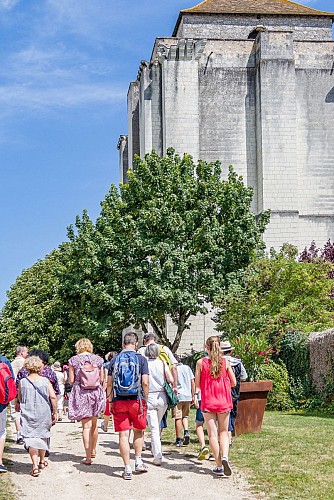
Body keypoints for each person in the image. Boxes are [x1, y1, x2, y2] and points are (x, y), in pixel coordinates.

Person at [107, 332, 149, 480]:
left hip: (119, 400)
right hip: (137, 400)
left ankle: (127, 468)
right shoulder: (141, 359)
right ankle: (138, 461)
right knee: (138, 431)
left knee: (123, 435)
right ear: (136, 343)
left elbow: (109, 383)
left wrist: (110, 401)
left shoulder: (115, 360)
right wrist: (146, 399)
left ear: (123, 344)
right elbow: (145, 382)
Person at [194, 336, 236, 477]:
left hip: (208, 401)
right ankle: (225, 456)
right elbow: (234, 382)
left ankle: (219, 465)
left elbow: (198, 384)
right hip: (224, 400)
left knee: (212, 433)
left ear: (206, 347)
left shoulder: (201, 363)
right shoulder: (225, 362)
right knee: (223, 432)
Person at [18, 356, 57, 477]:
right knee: (43, 435)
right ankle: (41, 461)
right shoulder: (45, 381)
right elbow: (53, 397)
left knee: (31, 437)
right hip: (43, 412)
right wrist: (55, 411)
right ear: (39, 366)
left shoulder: (22, 382)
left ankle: (34, 466)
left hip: (28, 412)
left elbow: (20, 398)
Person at [68, 338, 105, 465]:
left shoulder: (73, 360)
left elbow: (71, 380)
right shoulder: (98, 360)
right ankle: (93, 450)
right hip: (95, 393)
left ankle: (88, 456)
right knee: (94, 424)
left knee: (86, 426)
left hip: (81, 393)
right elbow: (101, 379)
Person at [138, 333, 178, 433]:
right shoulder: (164, 349)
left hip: (146, 389)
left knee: (142, 416)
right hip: (162, 390)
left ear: (144, 341)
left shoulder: (141, 350)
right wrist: (174, 386)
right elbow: (174, 367)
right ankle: (157, 439)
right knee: (160, 418)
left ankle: (142, 441)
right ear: (155, 339)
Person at [145, 343, 173, 465]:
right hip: (162, 397)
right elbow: (171, 379)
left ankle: (157, 454)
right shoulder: (162, 363)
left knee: (154, 427)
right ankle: (155, 449)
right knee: (156, 425)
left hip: (149, 395)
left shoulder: (145, 364)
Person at [221, 340, 248, 447]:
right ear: (230, 351)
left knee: (222, 416)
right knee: (232, 414)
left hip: (221, 393)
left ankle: (226, 436)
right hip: (234, 392)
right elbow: (244, 377)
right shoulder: (238, 363)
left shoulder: (218, 363)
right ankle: (229, 436)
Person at [172, 359, 195, 447]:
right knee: (185, 416)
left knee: (178, 417)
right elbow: (192, 382)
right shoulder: (187, 368)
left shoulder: (173, 369)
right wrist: (193, 395)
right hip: (187, 395)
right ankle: (186, 431)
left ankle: (178, 439)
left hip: (178, 396)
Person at [0, 354, 15, 473]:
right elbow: (11, 380)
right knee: (1, 431)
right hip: (1, 401)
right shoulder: (4, 360)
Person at [10, 346, 28, 445]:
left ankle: (19, 434)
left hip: (13, 390)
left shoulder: (11, 363)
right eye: (26, 352)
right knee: (25, 411)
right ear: (21, 353)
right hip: (25, 390)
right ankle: (26, 433)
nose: (27, 354)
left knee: (15, 412)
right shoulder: (26, 363)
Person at [100, 351, 117, 433]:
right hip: (118, 388)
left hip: (109, 389)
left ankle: (105, 426)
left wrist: (103, 389)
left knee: (107, 408)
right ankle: (115, 426)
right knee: (116, 407)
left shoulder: (106, 365)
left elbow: (106, 379)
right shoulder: (119, 363)